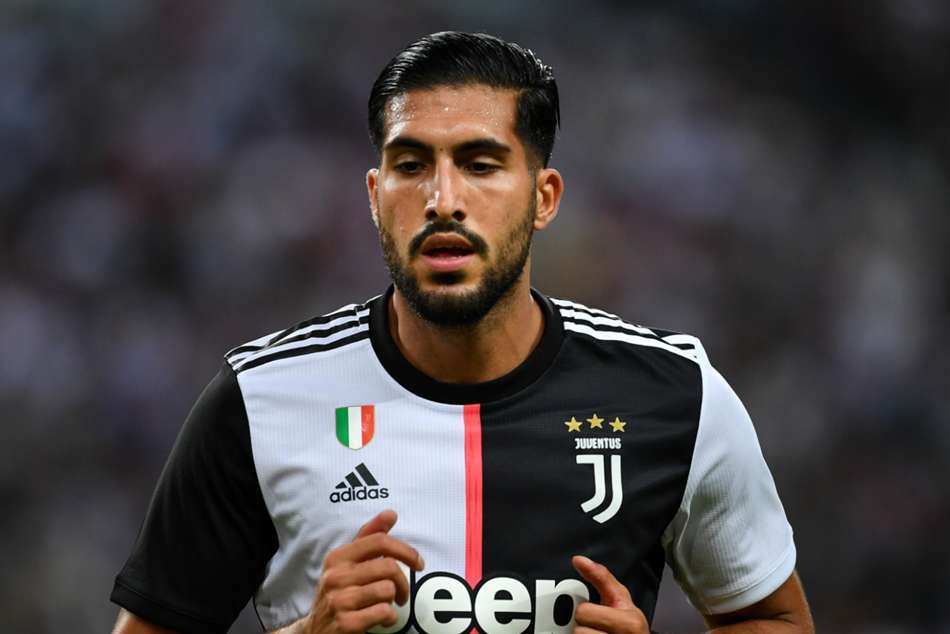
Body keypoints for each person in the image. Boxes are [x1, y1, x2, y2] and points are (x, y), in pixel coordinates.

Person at [111, 31, 814, 634]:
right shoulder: (259, 401)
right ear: (374, 196)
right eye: (411, 165)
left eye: (480, 164)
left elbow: (779, 619)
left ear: (543, 198)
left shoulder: (676, 396)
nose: (442, 200)